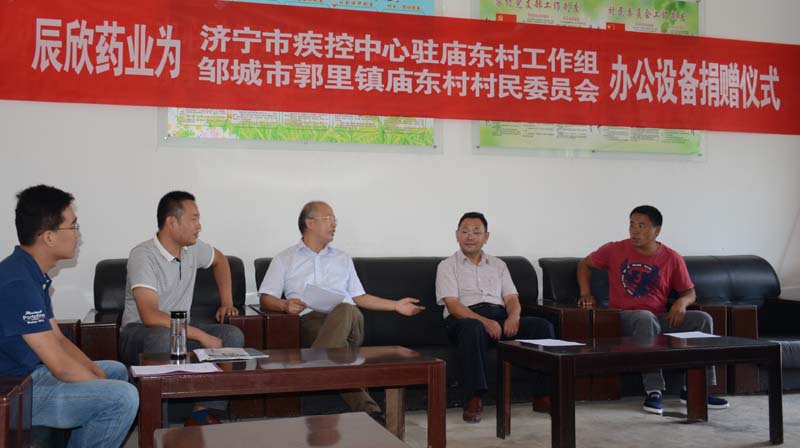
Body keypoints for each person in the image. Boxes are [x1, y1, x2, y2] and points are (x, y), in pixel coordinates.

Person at [258, 200, 425, 423]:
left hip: (351, 321)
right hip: (312, 322)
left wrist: (396, 305)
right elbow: (266, 297)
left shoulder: (342, 258)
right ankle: (370, 412)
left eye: (334, 220)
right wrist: (285, 305)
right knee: (339, 353)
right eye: (329, 219)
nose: (334, 224)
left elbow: (359, 297)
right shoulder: (284, 259)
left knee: (345, 308)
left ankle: (312, 367)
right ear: (309, 223)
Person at [0, 185, 138, 447]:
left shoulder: (30, 273)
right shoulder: (17, 283)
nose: (78, 234)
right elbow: (60, 366)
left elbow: (59, 340)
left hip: (29, 376)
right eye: (73, 226)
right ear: (49, 237)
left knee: (115, 371)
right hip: (13, 391)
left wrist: (98, 375)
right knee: (122, 397)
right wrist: (98, 384)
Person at [577, 205, 729, 415]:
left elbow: (689, 292)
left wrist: (681, 303)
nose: (634, 231)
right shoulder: (613, 249)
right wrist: (586, 293)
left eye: (642, 226)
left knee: (702, 319)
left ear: (657, 230)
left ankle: (696, 389)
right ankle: (654, 390)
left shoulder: (671, 257)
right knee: (644, 318)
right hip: (623, 318)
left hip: (658, 318)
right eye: (632, 225)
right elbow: (584, 264)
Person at [119, 190, 244, 425]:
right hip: (139, 332)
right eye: (194, 219)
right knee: (163, 336)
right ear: (172, 222)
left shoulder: (192, 249)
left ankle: (202, 412)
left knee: (232, 336)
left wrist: (226, 302)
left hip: (179, 331)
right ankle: (158, 425)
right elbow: (150, 316)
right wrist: (201, 336)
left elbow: (220, 260)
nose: (199, 226)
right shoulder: (143, 255)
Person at [436, 211, 555, 423]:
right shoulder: (447, 266)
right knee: (473, 328)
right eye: (465, 231)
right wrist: (484, 322)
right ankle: (473, 398)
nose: (470, 237)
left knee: (542, 327)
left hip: (499, 317)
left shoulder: (499, 265)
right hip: (464, 320)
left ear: (486, 237)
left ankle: (542, 396)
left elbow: (511, 298)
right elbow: (453, 305)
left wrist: (514, 317)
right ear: (457, 235)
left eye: (476, 232)